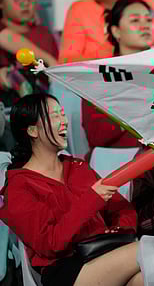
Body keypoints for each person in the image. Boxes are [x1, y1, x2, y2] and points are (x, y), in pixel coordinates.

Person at [0, 93, 143, 286]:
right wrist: (91, 199)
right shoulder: (19, 187)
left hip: (108, 251)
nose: (64, 121)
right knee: (149, 251)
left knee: (142, 279)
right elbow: (50, 244)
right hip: (67, 268)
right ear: (33, 131)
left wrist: (114, 231)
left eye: (63, 114)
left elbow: (123, 210)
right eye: (54, 116)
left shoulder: (78, 166)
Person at [82, 0, 154, 152]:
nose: (145, 26)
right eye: (135, 21)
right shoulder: (98, 76)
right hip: (120, 162)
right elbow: (96, 135)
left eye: (149, 20)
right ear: (115, 31)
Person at [0, 0, 58, 107]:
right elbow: (6, 37)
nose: (25, 2)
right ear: (0, 1)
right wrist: (49, 60)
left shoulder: (44, 34)